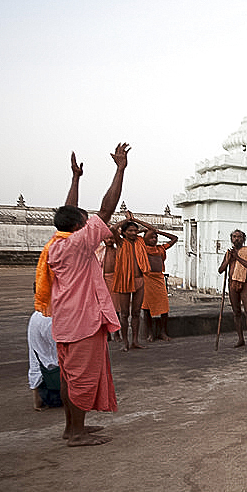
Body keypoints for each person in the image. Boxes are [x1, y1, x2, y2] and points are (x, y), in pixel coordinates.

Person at [34, 143, 129, 446]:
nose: (91, 223)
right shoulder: (77, 244)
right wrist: (120, 169)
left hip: (65, 322)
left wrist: (75, 179)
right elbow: (106, 209)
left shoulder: (57, 243)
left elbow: (67, 215)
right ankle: (75, 433)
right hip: (82, 323)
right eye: (84, 221)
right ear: (79, 227)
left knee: (69, 377)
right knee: (81, 379)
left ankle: (72, 427)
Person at [125, 214, 178, 342]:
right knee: (147, 307)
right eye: (151, 237)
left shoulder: (160, 249)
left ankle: (162, 332)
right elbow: (141, 233)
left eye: (156, 237)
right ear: (144, 238)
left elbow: (174, 238)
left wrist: (158, 231)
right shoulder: (141, 247)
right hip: (147, 279)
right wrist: (139, 226)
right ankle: (150, 333)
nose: (154, 239)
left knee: (164, 308)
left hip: (159, 279)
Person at [109, 214, 149, 351]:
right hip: (124, 280)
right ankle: (125, 342)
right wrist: (126, 220)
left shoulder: (140, 241)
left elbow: (152, 229)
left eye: (135, 230)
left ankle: (135, 341)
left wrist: (135, 220)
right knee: (125, 313)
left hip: (139, 280)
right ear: (124, 232)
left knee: (137, 313)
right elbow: (113, 228)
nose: (133, 233)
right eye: (130, 231)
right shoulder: (120, 242)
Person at [218, 229, 247, 350]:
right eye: (234, 237)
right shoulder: (229, 253)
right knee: (236, 313)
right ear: (231, 239)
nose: (237, 239)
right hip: (232, 284)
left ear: (243, 239)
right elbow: (220, 270)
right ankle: (240, 339)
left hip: (244, 284)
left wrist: (238, 258)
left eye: (239, 237)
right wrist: (229, 260)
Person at [27, 310, 59, 410]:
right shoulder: (51, 319)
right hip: (52, 382)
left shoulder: (36, 315)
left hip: (40, 379)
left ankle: (38, 399)